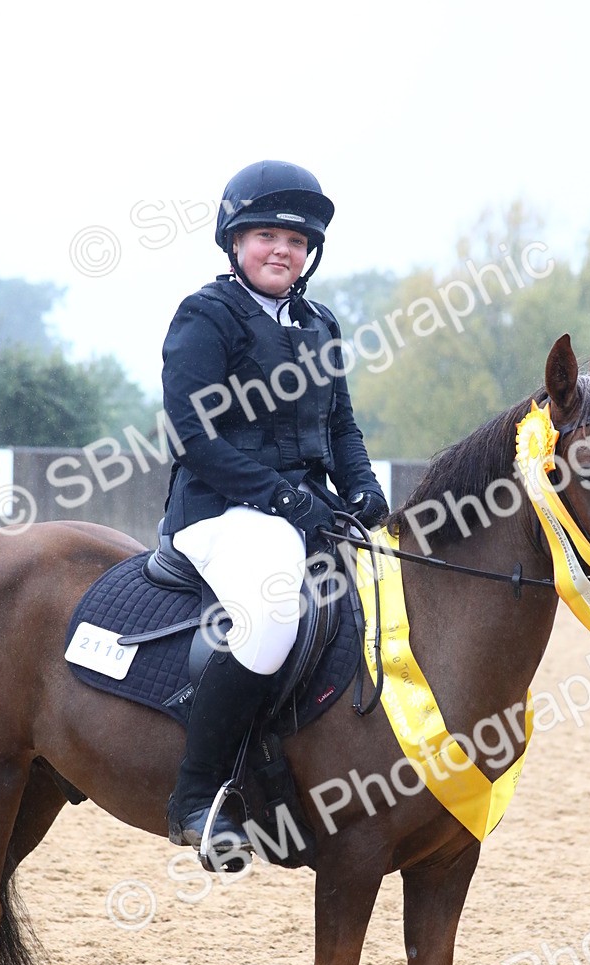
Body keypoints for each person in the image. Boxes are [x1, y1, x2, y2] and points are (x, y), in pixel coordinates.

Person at [161, 160, 388, 860]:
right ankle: (196, 798)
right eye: (266, 236)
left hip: (304, 509)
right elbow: (192, 436)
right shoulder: (206, 316)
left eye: (296, 240)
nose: (282, 250)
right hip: (219, 512)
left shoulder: (320, 324)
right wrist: (286, 498)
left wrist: (361, 487)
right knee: (271, 615)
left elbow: (341, 426)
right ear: (235, 242)